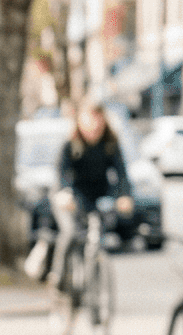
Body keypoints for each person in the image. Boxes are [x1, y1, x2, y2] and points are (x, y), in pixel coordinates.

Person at [28, 101, 132, 284]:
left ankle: (93, 276)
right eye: (90, 121)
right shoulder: (71, 145)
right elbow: (61, 173)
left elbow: (121, 173)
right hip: (70, 196)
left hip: (95, 195)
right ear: (80, 122)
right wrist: (64, 193)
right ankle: (58, 277)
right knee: (70, 232)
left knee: (99, 231)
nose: (94, 127)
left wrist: (124, 195)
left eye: (98, 121)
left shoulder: (109, 144)